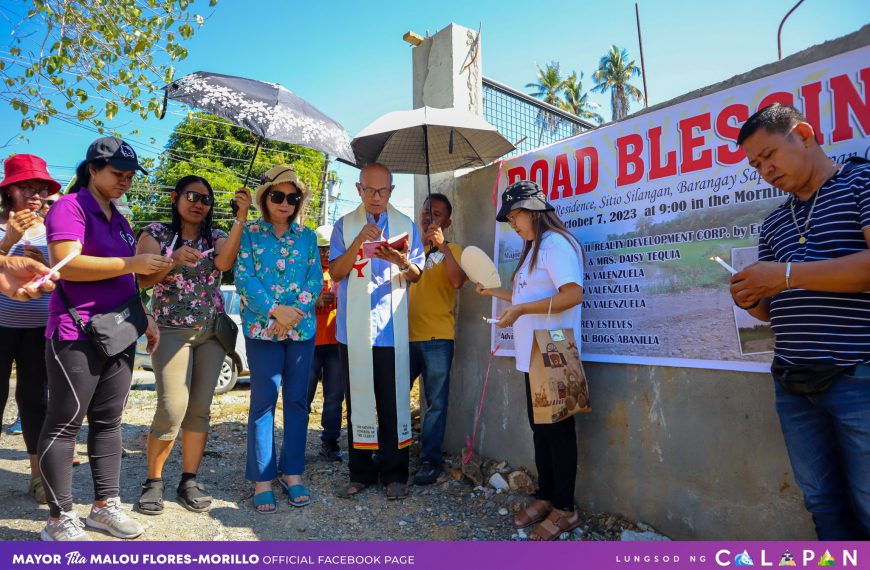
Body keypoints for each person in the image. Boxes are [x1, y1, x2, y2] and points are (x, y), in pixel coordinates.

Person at [730, 103, 870, 540]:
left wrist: (786, 275)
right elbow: (772, 312)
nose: (765, 169)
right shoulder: (774, 223)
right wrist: (750, 299)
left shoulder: (861, 183)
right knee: (821, 502)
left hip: (858, 377)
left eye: (769, 154)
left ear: (804, 134)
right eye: (756, 165)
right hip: (792, 384)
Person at [38, 136, 173, 541]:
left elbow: (124, 277)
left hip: (118, 330)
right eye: (117, 174)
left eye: (130, 176)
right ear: (92, 169)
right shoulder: (69, 206)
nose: (125, 182)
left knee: (109, 421)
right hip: (75, 332)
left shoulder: (118, 216)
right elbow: (66, 264)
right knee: (64, 424)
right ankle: (59, 518)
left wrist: (145, 312)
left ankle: (104, 507)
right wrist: (134, 261)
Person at [134, 176, 251, 515]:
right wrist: (172, 259)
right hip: (171, 331)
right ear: (175, 197)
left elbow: (224, 264)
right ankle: (153, 482)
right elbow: (142, 278)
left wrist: (240, 217)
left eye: (206, 199)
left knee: (200, 409)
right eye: (192, 196)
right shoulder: (156, 233)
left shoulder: (213, 237)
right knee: (172, 407)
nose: (199, 203)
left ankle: (189, 480)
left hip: (211, 332)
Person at [476, 180, 584, 541]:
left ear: (534, 210)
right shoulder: (535, 247)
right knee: (542, 433)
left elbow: (572, 294)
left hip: (553, 354)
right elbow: (527, 295)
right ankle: (547, 497)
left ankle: (566, 509)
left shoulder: (555, 244)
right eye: (508, 218)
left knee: (558, 434)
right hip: (533, 356)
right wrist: (496, 292)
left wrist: (520, 309)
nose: (513, 224)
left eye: (516, 215)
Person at [329, 162, 424, 501]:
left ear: (392, 192)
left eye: (382, 191)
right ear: (358, 190)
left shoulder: (406, 225)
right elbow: (337, 273)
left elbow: (416, 274)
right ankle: (361, 472)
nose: (375, 197)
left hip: (389, 329)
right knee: (358, 403)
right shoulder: (344, 225)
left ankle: (395, 474)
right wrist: (358, 240)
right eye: (369, 190)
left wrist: (401, 262)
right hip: (353, 333)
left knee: (393, 402)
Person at [236, 166, 321, 513]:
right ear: (264, 198)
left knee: (298, 401)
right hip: (262, 329)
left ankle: (293, 473)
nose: (285, 203)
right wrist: (275, 312)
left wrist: (291, 315)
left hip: (301, 330)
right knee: (264, 401)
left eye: (292, 197)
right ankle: (261, 479)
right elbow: (244, 277)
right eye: (278, 196)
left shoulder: (308, 236)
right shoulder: (250, 234)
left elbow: (314, 279)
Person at [0, 154, 60, 504]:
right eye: (27, 187)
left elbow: (68, 271)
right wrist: (9, 240)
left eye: (41, 189)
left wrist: (47, 263)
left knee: (35, 400)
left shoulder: (53, 229)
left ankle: (38, 477)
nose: (36, 195)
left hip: (40, 327)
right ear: (9, 191)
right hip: (1, 326)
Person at [407, 193, 466, 485]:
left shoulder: (452, 249)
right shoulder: (409, 249)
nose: (430, 217)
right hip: (404, 336)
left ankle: (430, 460)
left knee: (435, 404)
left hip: (437, 338)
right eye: (426, 211)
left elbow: (457, 281)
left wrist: (441, 246)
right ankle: (393, 452)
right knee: (394, 398)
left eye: (437, 214)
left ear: (448, 221)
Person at [306, 224, 344, 462]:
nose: (325, 254)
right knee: (303, 396)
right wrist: (314, 301)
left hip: (336, 343)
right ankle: (296, 442)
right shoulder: (306, 272)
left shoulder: (342, 272)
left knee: (334, 398)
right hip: (308, 343)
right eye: (321, 248)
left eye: (329, 248)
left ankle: (330, 442)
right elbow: (291, 301)